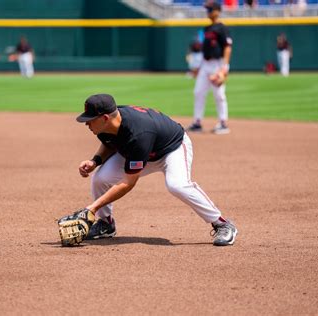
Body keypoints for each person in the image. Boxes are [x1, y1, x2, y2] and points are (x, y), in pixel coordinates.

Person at [75, 93, 238, 246]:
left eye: (90, 119)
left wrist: (92, 208)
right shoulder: (107, 123)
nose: (86, 123)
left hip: (171, 149)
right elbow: (109, 142)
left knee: (177, 185)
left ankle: (222, 224)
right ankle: (105, 224)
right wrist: (95, 161)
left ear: (104, 118)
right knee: (100, 179)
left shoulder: (138, 133)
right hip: (142, 151)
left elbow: (128, 183)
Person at [187, 2, 232, 135]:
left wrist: (224, 68)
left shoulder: (222, 28)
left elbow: (227, 47)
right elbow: (204, 50)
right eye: (207, 10)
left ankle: (223, 123)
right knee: (198, 92)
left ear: (218, 11)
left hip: (217, 64)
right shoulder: (207, 28)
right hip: (206, 64)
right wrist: (198, 67)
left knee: (219, 94)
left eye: (210, 10)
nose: (208, 12)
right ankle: (197, 122)